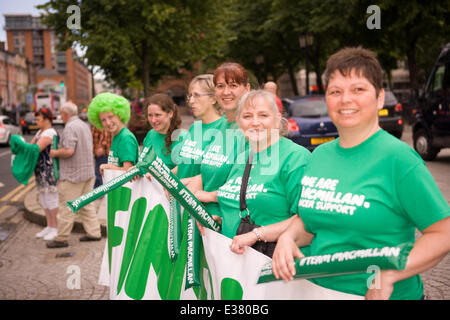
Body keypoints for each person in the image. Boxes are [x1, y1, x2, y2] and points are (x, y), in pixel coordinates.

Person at [271, 47, 450, 300]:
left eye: (358, 89)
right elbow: (309, 220)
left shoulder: (398, 159)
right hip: (317, 292)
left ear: (379, 98)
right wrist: (289, 237)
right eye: (336, 92)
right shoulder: (319, 155)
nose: (346, 99)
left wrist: (390, 274)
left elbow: (443, 232)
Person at [197, 90, 312, 258]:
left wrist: (256, 234)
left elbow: (306, 220)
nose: (255, 122)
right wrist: (220, 219)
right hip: (237, 265)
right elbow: (241, 199)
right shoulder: (244, 156)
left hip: (276, 265)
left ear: (277, 119)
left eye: (263, 115)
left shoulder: (296, 158)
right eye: (247, 116)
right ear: (238, 121)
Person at [47, 102, 102, 248]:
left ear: (65, 114)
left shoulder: (70, 127)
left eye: (61, 113)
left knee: (67, 207)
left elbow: (69, 151)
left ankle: (61, 238)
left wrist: (54, 153)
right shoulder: (84, 125)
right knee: (86, 205)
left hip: (73, 175)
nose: (61, 116)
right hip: (88, 172)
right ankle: (94, 233)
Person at [87, 92, 139, 173]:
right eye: (103, 120)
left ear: (119, 114)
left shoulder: (126, 138)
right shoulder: (117, 135)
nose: (108, 123)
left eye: (110, 117)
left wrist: (109, 167)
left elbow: (129, 172)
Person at [31, 108, 59, 241]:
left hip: (48, 171)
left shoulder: (49, 133)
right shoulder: (39, 132)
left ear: (47, 120)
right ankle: (49, 225)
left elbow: (34, 149)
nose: (36, 121)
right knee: (44, 199)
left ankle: (55, 228)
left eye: (38, 119)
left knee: (51, 199)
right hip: (40, 171)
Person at [138, 93, 182, 168]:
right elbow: (144, 163)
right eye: (150, 115)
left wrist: (158, 175)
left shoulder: (180, 137)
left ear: (170, 114)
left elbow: (183, 169)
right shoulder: (151, 134)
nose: (153, 120)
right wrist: (136, 169)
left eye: (157, 115)